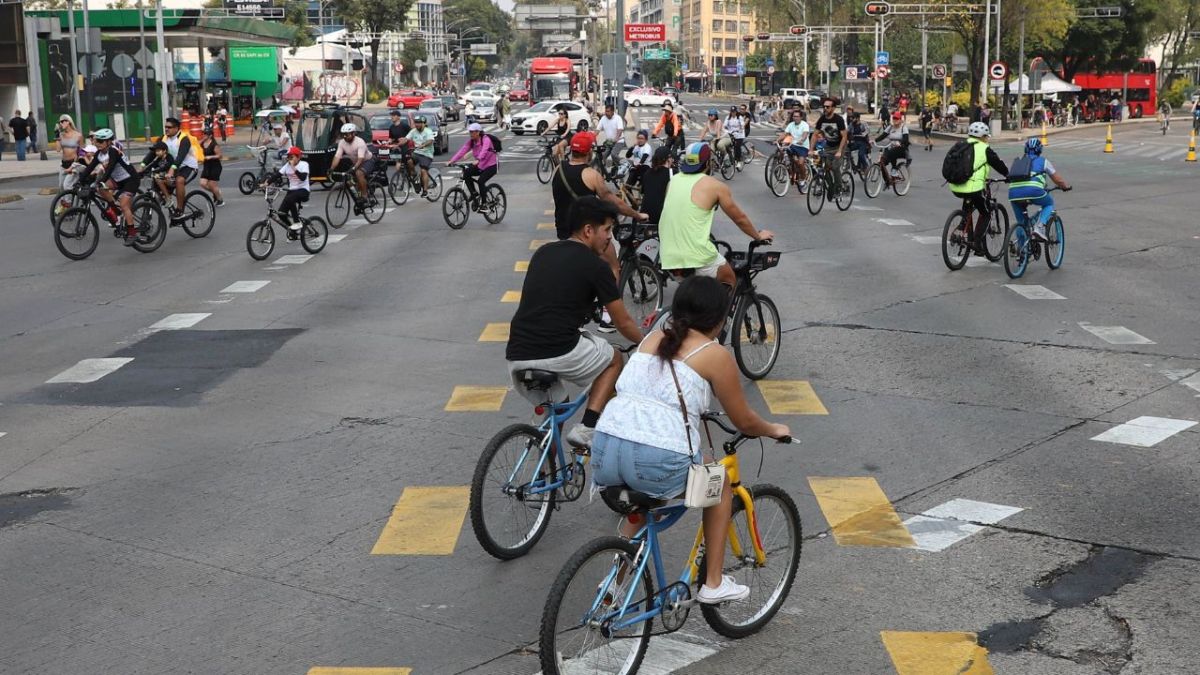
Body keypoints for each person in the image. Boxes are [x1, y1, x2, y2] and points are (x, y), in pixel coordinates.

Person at [590, 275, 791, 604]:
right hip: (656, 460)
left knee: (641, 504)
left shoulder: (652, 338)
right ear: (718, 318)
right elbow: (743, 420)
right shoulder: (714, 355)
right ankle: (713, 582)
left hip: (606, 450)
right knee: (720, 483)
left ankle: (614, 582)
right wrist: (772, 428)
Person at [505, 196, 645, 450]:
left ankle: (548, 476)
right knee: (614, 359)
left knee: (556, 408)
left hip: (517, 353)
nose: (609, 239)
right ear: (588, 230)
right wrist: (647, 344)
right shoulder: (596, 266)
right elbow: (622, 322)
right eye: (607, 230)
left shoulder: (543, 253)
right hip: (557, 349)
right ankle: (588, 427)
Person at [659, 142, 774, 288]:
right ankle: (721, 311)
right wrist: (758, 236)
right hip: (696, 254)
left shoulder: (673, 181)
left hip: (668, 255)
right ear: (708, 163)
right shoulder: (715, 185)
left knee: (695, 298)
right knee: (730, 280)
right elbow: (739, 218)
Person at [550, 131, 648, 282]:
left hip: (563, 232)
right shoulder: (591, 175)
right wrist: (637, 214)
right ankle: (609, 304)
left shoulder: (558, 170)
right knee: (613, 266)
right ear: (589, 152)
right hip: (587, 234)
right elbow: (614, 202)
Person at [948, 122, 1009, 254]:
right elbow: (998, 164)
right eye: (987, 136)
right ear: (983, 136)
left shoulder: (961, 145)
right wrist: (1008, 175)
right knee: (986, 213)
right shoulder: (984, 148)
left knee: (968, 209)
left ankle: (961, 227)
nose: (987, 138)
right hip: (974, 188)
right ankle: (976, 243)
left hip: (956, 186)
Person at [78, 128, 141, 245]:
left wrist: (102, 180)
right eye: (97, 141)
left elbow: (110, 168)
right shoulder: (99, 154)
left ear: (108, 142)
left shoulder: (113, 151)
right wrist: (80, 180)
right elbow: (90, 168)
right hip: (118, 180)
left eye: (101, 141)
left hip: (131, 180)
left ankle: (132, 233)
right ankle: (115, 209)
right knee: (99, 188)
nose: (97, 144)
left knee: (124, 204)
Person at [1007, 138, 1071, 242]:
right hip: (1034, 191)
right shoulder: (1044, 161)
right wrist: (1065, 187)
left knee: (1021, 223)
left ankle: (1022, 253)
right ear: (1040, 150)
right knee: (1049, 203)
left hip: (1013, 193)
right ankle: (1040, 227)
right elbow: (1058, 180)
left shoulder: (1018, 160)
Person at [447, 123, 498, 211]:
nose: (470, 134)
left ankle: (484, 204)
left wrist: (478, 159)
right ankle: (474, 193)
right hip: (480, 165)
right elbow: (462, 151)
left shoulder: (486, 139)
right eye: (470, 132)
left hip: (491, 166)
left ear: (478, 132)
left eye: (472, 132)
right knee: (466, 172)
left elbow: (484, 151)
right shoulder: (471, 142)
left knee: (481, 181)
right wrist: (452, 161)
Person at [160, 117, 202, 225]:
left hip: (188, 165)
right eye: (165, 127)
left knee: (179, 181)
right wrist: (143, 166)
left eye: (169, 127)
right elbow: (153, 152)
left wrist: (171, 170)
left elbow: (180, 157)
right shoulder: (164, 138)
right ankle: (167, 199)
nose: (166, 129)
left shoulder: (184, 139)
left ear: (176, 128)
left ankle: (179, 210)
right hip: (175, 166)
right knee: (158, 178)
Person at [332, 121, 374, 202]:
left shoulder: (360, 142)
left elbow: (360, 159)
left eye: (347, 134)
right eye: (343, 134)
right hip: (356, 162)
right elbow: (337, 157)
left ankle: (365, 195)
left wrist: (354, 168)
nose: (345, 136)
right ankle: (359, 196)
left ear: (353, 133)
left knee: (359, 173)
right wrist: (331, 169)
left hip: (367, 161)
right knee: (349, 179)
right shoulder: (342, 143)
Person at [274, 146, 310, 232]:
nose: (289, 159)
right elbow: (277, 175)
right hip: (292, 191)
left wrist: (294, 168)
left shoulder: (304, 164)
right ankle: (292, 230)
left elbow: (303, 178)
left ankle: (297, 222)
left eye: (291, 157)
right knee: (281, 213)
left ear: (298, 157)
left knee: (290, 199)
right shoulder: (287, 166)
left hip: (303, 190)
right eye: (288, 157)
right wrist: (266, 183)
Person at [814, 98, 848, 174]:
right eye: (824, 106)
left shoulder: (839, 119)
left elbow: (844, 137)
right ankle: (830, 186)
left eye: (827, 107)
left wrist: (839, 151)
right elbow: (815, 135)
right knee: (825, 168)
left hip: (839, 146)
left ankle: (839, 186)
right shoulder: (822, 119)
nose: (825, 108)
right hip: (828, 146)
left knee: (835, 168)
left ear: (833, 108)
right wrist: (810, 150)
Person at [875, 111, 910, 186]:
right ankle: (887, 181)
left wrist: (900, 143)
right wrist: (874, 140)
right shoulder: (890, 127)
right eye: (894, 118)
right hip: (891, 148)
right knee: (882, 163)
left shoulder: (904, 128)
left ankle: (894, 170)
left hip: (901, 149)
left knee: (891, 152)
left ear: (900, 119)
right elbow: (883, 136)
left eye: (897, 119)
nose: (895, 120)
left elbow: (906, 139)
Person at [778, 109, 810, 190]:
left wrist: (802, 140)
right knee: (782, 151)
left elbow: (805, 135)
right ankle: (790, 171)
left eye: (797, 116)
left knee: (800, 163)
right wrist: (778, 140)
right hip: (793, 145)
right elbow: (785, 134)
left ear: (801, 117)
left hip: (803, 147)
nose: (795, 118)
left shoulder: (805, 125)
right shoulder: (791, 125)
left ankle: (803, 179)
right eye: (794, 116)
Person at [639, 146, 672, 224]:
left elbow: (644, 191)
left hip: (645, 213)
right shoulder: (672, 173)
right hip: (662, 215)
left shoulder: (647, 173)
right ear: (668, 159)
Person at [403, 116, 434, 196]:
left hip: (427, 154)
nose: (417, 125)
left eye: (419, 123)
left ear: (424, 124)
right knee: (409, 160)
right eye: (416, 123)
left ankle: (425, 191)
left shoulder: (428, 131)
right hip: (416, 153)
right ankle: (415, 176)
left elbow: (430, 140)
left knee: (423, 171)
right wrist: (396, 145)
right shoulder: (413, 131)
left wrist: (423, 145)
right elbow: (406, 139)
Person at [198, 126, 225, 207]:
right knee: (202, 183)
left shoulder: (214, 145)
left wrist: (210, 157)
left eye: (206, 134)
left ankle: (220, 200)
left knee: (212, 184)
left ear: (210, 135)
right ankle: (216, 192)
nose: (204, 135)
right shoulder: (202, 143)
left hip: (215, 166)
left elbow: (220, 156)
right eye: (203, 133)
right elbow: (196, 148)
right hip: (206, 166)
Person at [594, 103, 624, 173]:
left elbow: (620, 130)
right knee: (601, 156)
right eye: (606, 111)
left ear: (612, 111)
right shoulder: (603, 118)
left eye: (608, 111)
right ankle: (603, 171)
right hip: (609, 142)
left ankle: (623, 164)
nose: (606, 113)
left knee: (613, 154)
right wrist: (592, 137)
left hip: (619, 141)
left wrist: (616, 138)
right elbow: (598, 129)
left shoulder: (618, 118)